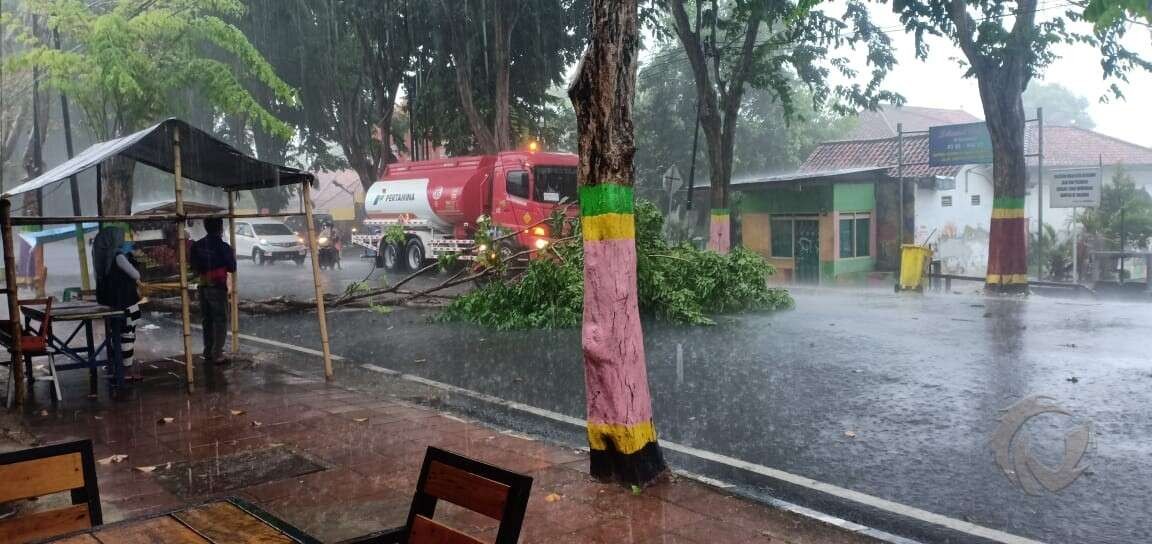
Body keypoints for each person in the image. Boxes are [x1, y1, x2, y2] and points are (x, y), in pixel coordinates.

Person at [93, 227, 143, 378]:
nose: (124, 241)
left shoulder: (102, 257)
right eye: (121, 237)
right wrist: (131, 257)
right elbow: (136, 275)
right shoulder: (118, 256)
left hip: (114, 302)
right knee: (127, 334)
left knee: (117, 335)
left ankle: (117, 366)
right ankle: (126, 370)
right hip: (126, 301)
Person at [190, 217, 236, 364]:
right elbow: (232, 267)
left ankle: (208, 351)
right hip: (217, 287)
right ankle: (218, 354)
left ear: (205, 227)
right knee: (220, 320)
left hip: (203, 286)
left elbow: (194, 267)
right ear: (221, 228)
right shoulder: (224, 247)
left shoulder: (197, 246)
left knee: (207, 320)